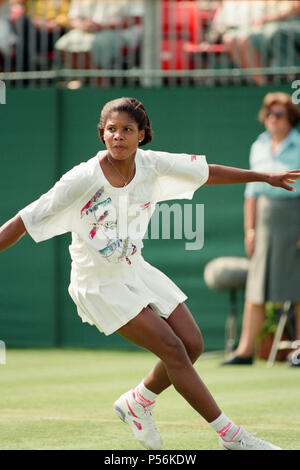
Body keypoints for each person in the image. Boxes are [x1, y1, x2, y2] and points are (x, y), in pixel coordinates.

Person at [1, 97, 299, 450]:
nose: (118, 136)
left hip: (134, 269)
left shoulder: (152, 165)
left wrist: (263, 176)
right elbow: (26, 218)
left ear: (142, 135)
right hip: (97, 284)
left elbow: (206, 173)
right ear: (102, 134)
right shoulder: (81, 178)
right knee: (173, 348)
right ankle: (232, 437)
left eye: (127, 130)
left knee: (192, 344)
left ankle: (137, 402)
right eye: (111, 130)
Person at [221, 92, 300, 367]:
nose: (272, 119)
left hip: (294, 219)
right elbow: (252, 192)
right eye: (269, 114)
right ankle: (244, 351)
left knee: (298, 289)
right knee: (255, 289)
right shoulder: (259, 145)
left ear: (290, 119)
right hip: (264, 222)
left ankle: (299, 351)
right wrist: (249, 230)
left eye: (278, 114)